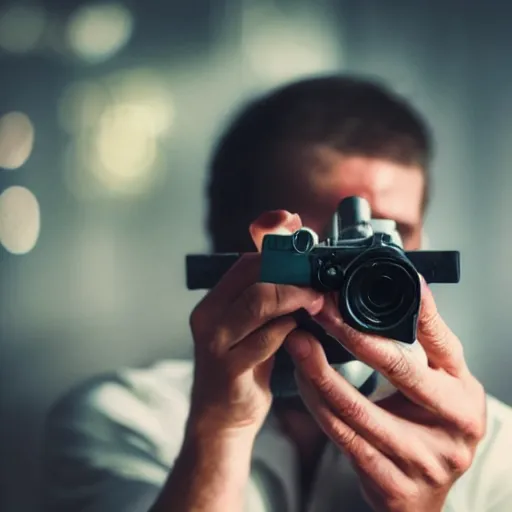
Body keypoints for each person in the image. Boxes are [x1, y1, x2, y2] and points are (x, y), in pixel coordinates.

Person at [42, 75, 512, 512]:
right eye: (316, 245)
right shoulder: (124, 420)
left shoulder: (489, 445)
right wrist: (219, 431)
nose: (353, 272)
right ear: (231, 248)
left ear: (419, 253)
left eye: (384, 242)